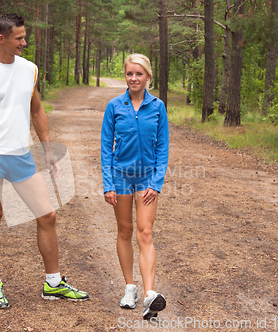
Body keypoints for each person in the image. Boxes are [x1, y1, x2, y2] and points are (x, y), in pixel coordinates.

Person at [0, 13, 89, 309]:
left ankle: (53, 283)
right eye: (19, 38)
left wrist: (47, 149)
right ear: (1, 39)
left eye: (24, 36)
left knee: (47, 216)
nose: (24, 42)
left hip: (20, 155)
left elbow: (37, 109)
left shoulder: (29, 69)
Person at [100, 54, 169, 320]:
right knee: (125, 230)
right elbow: (106, 148)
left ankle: (150, 295)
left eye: (139, 74)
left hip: (147, 179)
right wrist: (109, 185)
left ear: (148, 77)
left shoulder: (158, 106)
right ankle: (130, 288)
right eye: (129, 74)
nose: (134, 78)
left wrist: (156, 182)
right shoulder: (114, 106)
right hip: (120, 177)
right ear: (125, 76)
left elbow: (162, 147)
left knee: (145, 232)